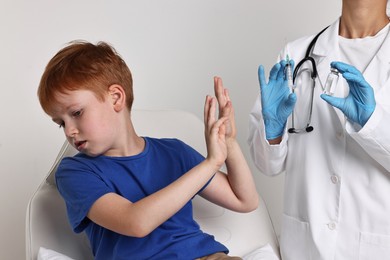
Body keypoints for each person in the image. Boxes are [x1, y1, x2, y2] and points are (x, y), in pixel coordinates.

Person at [37, 41, 259, 260]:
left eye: (76, 113)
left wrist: (228, 142)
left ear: (115, 98)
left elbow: (245, 200)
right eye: (61, 123)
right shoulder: (74, 172)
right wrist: (210, 164)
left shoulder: (174, 152)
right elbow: (136, 222)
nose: (70, 131)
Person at [248, 0, 390, 259]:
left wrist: (373, 123)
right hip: (305, 248)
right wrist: (273, 131)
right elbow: (267, 166)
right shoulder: (296, 54)